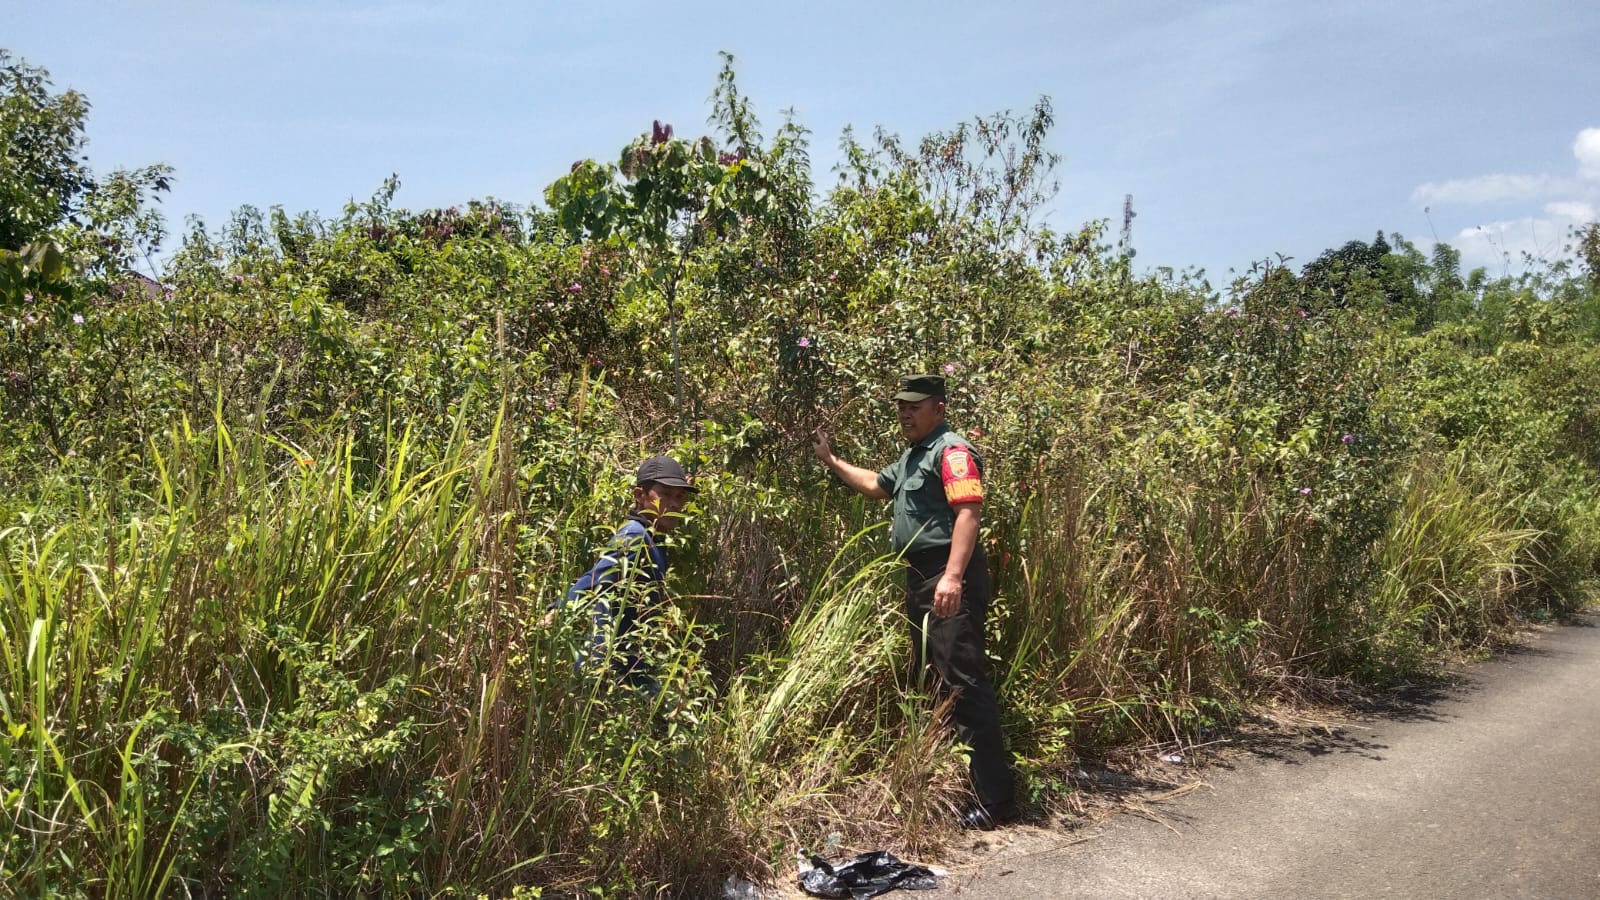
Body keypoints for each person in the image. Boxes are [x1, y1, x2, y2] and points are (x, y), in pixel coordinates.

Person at [812, 374, 1018, 829]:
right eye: (901, 407)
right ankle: (947, 782)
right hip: (920, 576)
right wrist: (831, 460)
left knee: (962, 678)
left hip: (947, 574)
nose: (905, 414)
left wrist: (952, 576)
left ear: (938, 409)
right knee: (930, 674)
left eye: (915, 406)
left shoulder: (952, 451)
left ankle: (996, 799)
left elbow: (968, 511)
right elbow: (874, 485)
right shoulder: (912, 457)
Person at [565, 455, 696, 691]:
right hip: (608, 667)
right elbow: (594, 577)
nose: (675, 504)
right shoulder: (635, 535)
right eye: (665, 494)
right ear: (639, 495)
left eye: (680, 497)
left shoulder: (653, 538)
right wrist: (555, 613)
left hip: (631, 664)